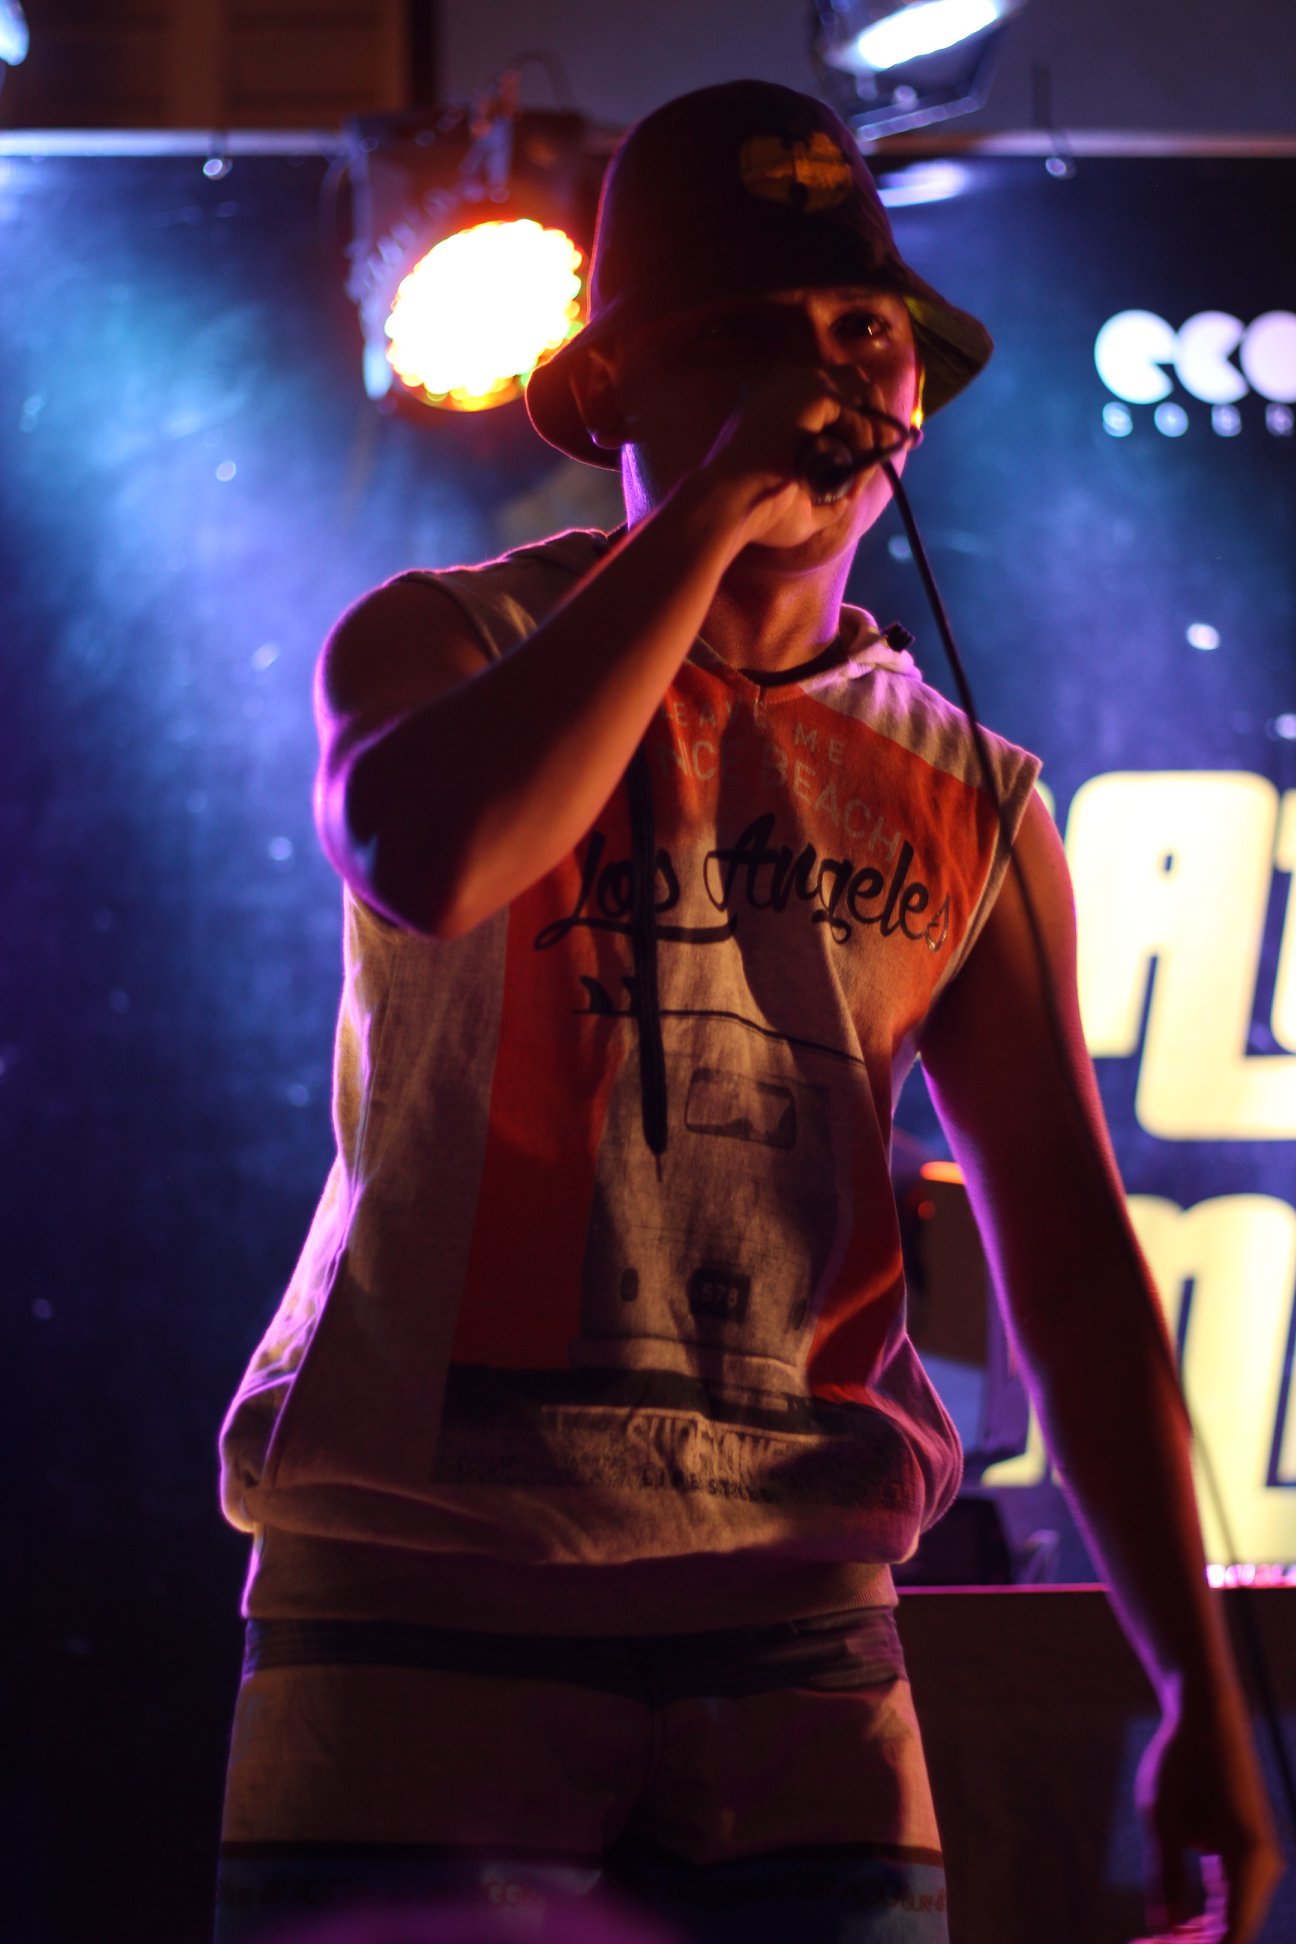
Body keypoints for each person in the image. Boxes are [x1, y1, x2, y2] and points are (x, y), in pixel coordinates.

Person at [215, 80, 1281, 1944]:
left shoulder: (974, 799)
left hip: (798, 1633)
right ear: (613, 386)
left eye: (861, 328)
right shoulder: (439, 643)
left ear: (916, 395)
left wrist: (1196, 1683)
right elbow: (435, 860)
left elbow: (1067, 1247)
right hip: (419, 1595)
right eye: (743, 335)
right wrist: (714, 509)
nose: (821, 373)